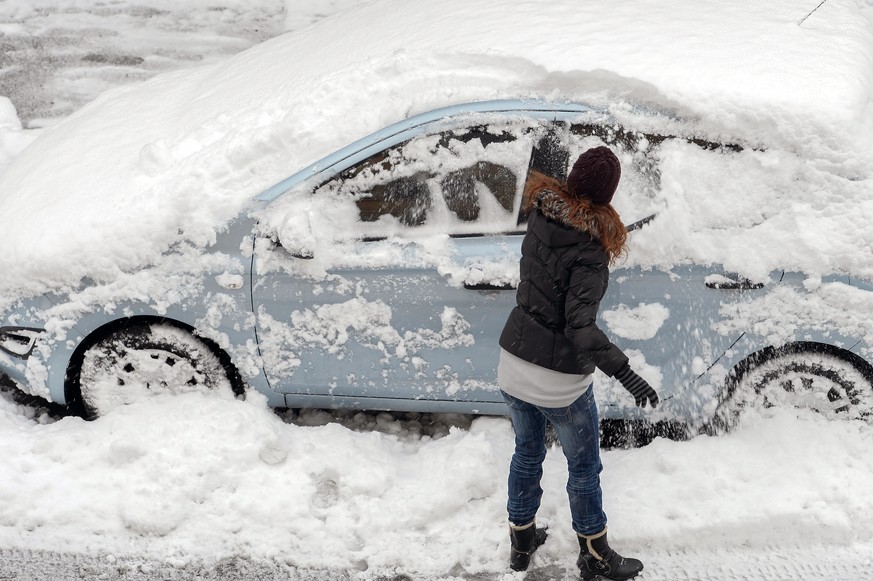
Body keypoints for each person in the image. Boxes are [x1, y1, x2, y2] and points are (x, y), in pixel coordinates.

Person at [498, 145, 658, 580]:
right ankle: (595, 554)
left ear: (571, 180)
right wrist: (626, 373)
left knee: (527, 453)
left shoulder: (541, 215)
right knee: (584, 467)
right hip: (557, 382)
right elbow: (580, 328)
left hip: (513, 361)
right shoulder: (589, 248)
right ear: (607, 195)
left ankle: (521, 540)